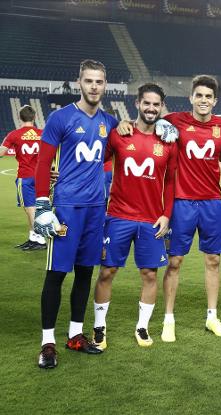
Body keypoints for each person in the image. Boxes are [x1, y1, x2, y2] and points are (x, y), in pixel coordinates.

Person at [118, 75, 221, 341]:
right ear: (191, 97)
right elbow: (145, 121)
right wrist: (123, 123)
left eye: (208, 97)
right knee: (175, 261)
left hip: (212, 201)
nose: (203, 101)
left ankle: (212, 317)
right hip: (182, 202)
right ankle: (169, 319)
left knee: (213, 260)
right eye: (199, 96)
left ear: (215, 101)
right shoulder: (174, 121)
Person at [33, 59, 117, 369]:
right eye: (89, 81)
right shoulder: (61, 117)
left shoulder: (110, 122)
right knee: (56, 274)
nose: (94, 86)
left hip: (96, 209)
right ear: (79, 82)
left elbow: (128, 141)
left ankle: (75, 335)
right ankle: (47, 342)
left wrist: (163, 124)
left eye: (99, 81)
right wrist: (43, 204)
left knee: (84, 273)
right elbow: (43, 163)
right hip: (67, 208)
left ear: (104, 85)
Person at [91, 83, 177, 349]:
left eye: (156, 104)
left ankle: (142, 327)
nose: (151, 108)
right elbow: (96, 160)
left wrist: (166, 215)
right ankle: (99, 328)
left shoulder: (168, 142)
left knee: (150, 274)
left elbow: (171, 181)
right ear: (137, 104)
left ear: (161, 107)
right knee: (107, 272)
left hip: (151, 220)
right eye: (146, 103)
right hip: (118, 216)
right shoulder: (119, 135)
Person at [0, 105, 46, 250]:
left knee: (30, 208)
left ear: (20, 117)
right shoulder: (43, 133)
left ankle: (39, 239)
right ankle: (33, 237)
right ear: (34, 117)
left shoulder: (14, 134)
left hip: (25, 176)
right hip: (42, 176)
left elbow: (2, 152)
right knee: (37, 207)